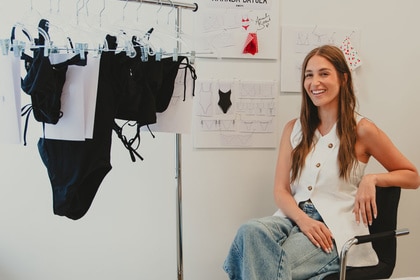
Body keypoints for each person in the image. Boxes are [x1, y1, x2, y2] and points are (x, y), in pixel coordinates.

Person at [223, 45, 420, 280]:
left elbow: (412, 175)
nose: (315, 82)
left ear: (343, 78)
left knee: (261, 264)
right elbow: (281, 190)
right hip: (292, 218)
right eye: (309, 75)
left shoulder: (363, 130)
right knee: (249, 232)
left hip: (333, 231)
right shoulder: (293, 129)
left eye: (324, 73)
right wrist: (303, 221)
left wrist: (372, 178)